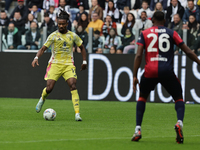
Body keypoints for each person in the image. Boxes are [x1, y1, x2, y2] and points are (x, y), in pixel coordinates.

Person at [131, 11, 200, 143]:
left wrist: (134, 75)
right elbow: (188, 51)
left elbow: (138, 55)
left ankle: (138, 129)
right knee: (178, 97)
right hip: (167, 71)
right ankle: (179, 123)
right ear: (164, 21)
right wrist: (199, 62)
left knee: (142, 97)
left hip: (150, 71)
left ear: (152, 21)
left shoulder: (144, 33)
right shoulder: (172, 33)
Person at [31, 9, 87, 121]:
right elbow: (43, 48)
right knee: (49, 88)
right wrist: (36, 57)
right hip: (55, 64)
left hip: (68, 64)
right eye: (59, 24)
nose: (61, 26)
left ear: (67, 23)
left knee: (73, 85)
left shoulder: (73, 36)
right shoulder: (53, 36)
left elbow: (82, 47)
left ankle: (77, 114)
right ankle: (42, 99)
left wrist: (84, 61)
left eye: (63, 24)